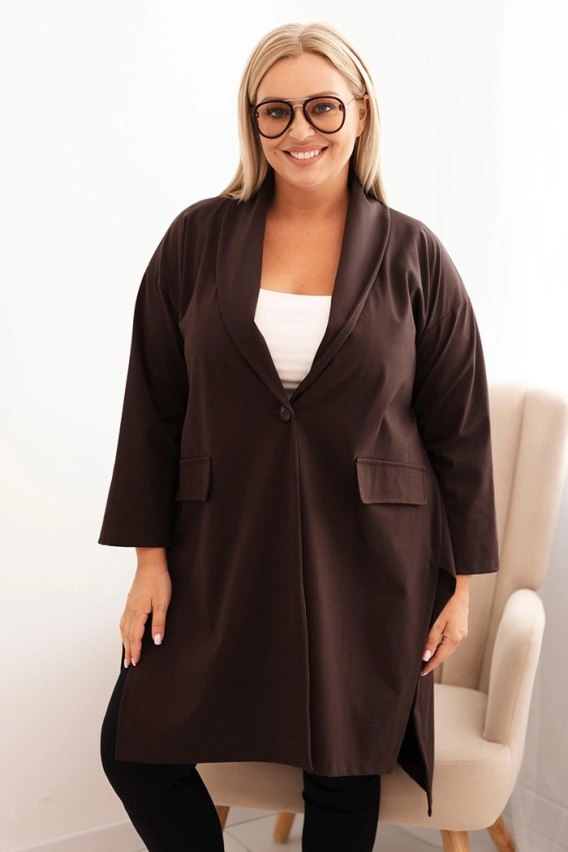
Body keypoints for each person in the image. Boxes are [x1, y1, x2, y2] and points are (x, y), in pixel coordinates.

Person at [98, 20, 500, 852]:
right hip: (219, 544)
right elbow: (152, 407)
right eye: (274, 111)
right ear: (252, 121)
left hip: (370, 556)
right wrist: (148, 561)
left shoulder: (415, 255)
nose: (299, 130)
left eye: (322, 106)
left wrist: (462, 584)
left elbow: (460, 431)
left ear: (360, 111)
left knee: (343, 773)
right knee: (133, 748)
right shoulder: (196, 241)